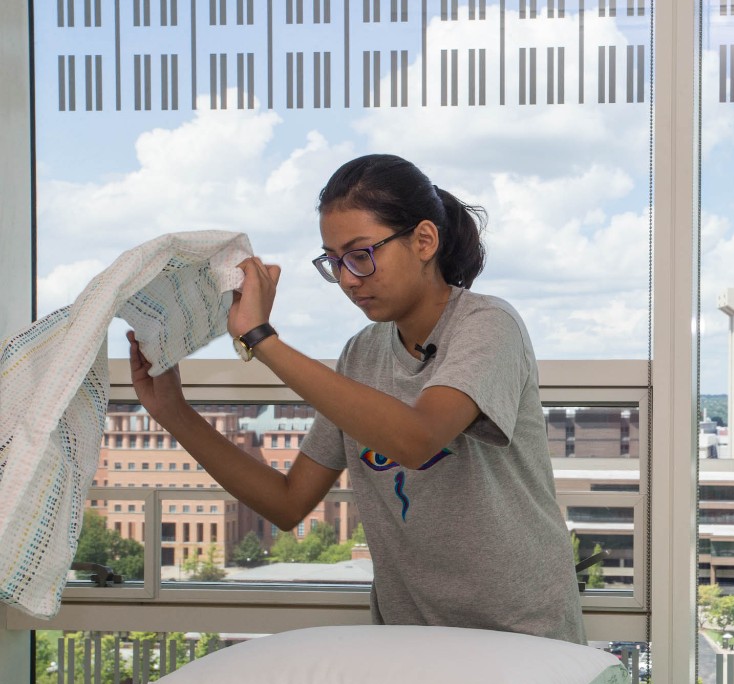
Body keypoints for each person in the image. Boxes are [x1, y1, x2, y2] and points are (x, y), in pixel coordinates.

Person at [127, 154, 586, 645]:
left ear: (424, 241)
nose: (347, 278)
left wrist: (263, 338)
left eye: (361, 254)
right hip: (411, 639)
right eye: (333, 260)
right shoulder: (361, 355)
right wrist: (173, 413)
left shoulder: (488, 325)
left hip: (522, 635)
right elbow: (287, 503)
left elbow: (418, 438)